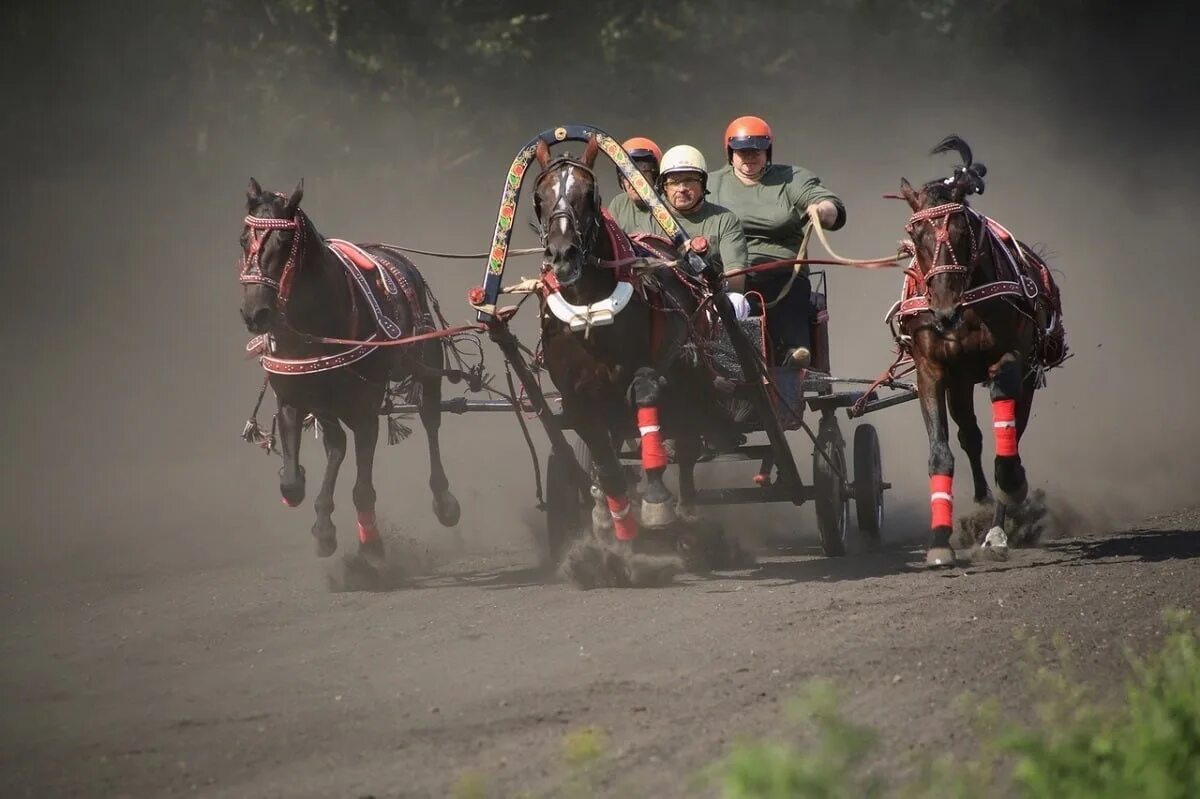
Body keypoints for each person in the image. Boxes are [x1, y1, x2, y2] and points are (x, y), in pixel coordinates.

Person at [708, 116, 846, 367]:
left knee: (787, 292)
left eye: (757, 151)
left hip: (781, 270)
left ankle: (792, 353)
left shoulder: (791, 178)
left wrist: (822, 210)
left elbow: (827, 203)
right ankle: (712, 359)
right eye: (743, 152)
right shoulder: (711, 183)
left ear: (768, 151)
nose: (750, 157)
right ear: (730, 152)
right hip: (726, 270)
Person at [656, 144, 748, 276]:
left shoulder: (724, 220)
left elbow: (735, 276)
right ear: (664, 186)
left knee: (736, 298)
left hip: (713, 293)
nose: (682, 189)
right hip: (660, 294)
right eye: (674, 182)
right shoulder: (651, 218)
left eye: (689, 180)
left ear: (703, 184)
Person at [606, 136, 663, 236]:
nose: (634, 181)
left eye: (643, 172)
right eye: (628, 173)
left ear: (655, 176)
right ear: (621, 179)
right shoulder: (618, 205)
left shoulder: (668, 205)